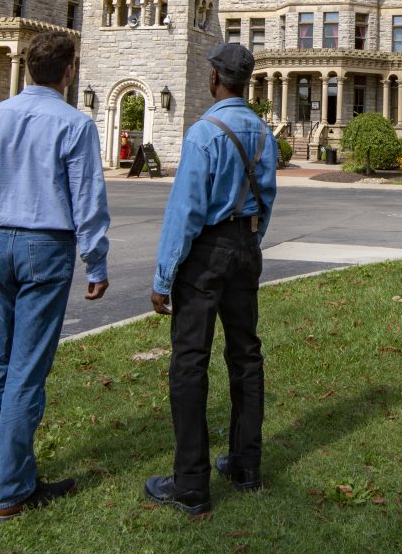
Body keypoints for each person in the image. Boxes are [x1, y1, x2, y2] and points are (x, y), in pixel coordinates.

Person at [0, 31, 111, 522]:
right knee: (26, 371)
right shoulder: (74, 124)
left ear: (26, 67)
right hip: (46, 246)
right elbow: (87, 200)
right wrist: (96, 261)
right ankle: (14, 488)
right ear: (69, 71)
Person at [144, 42, 278, 515]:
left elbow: (185, 212)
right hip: (246, 246)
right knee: (246, 356)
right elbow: (268, 199)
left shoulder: (204, 133)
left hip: (206, 251)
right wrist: (250, 244)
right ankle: (245, 464)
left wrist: (164, 277)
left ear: (215, 79)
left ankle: (191, 484)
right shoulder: (263, 133)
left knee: (190, 362)